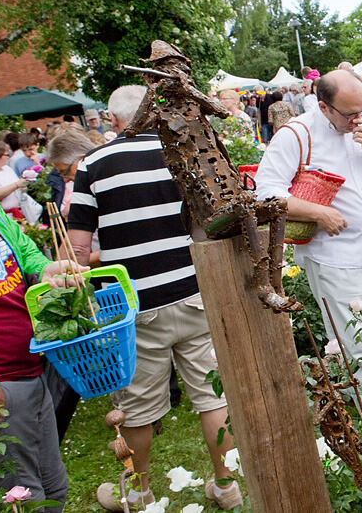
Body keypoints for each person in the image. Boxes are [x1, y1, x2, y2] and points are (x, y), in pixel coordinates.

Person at [67, 86, 241, 511]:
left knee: (138, 407)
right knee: (211, 395)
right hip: (193, 291)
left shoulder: (93, 164)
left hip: (133, 306)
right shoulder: (178, 154)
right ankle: (226, 485)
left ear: (112, 120)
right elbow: (208, 221)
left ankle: (138, 492)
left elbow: (76, 250)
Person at [254, 70, 362, 405]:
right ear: (324, 108)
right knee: (355, 337)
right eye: (350, 113)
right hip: (333, 253)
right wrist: (318, 213)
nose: (359, 118)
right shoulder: (296, 135)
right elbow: (265, 195)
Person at [0, 101, 86, 510]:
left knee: (54, 492)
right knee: (20, 501)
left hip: (32, 374)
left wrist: (47, 267)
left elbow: (24, 251)